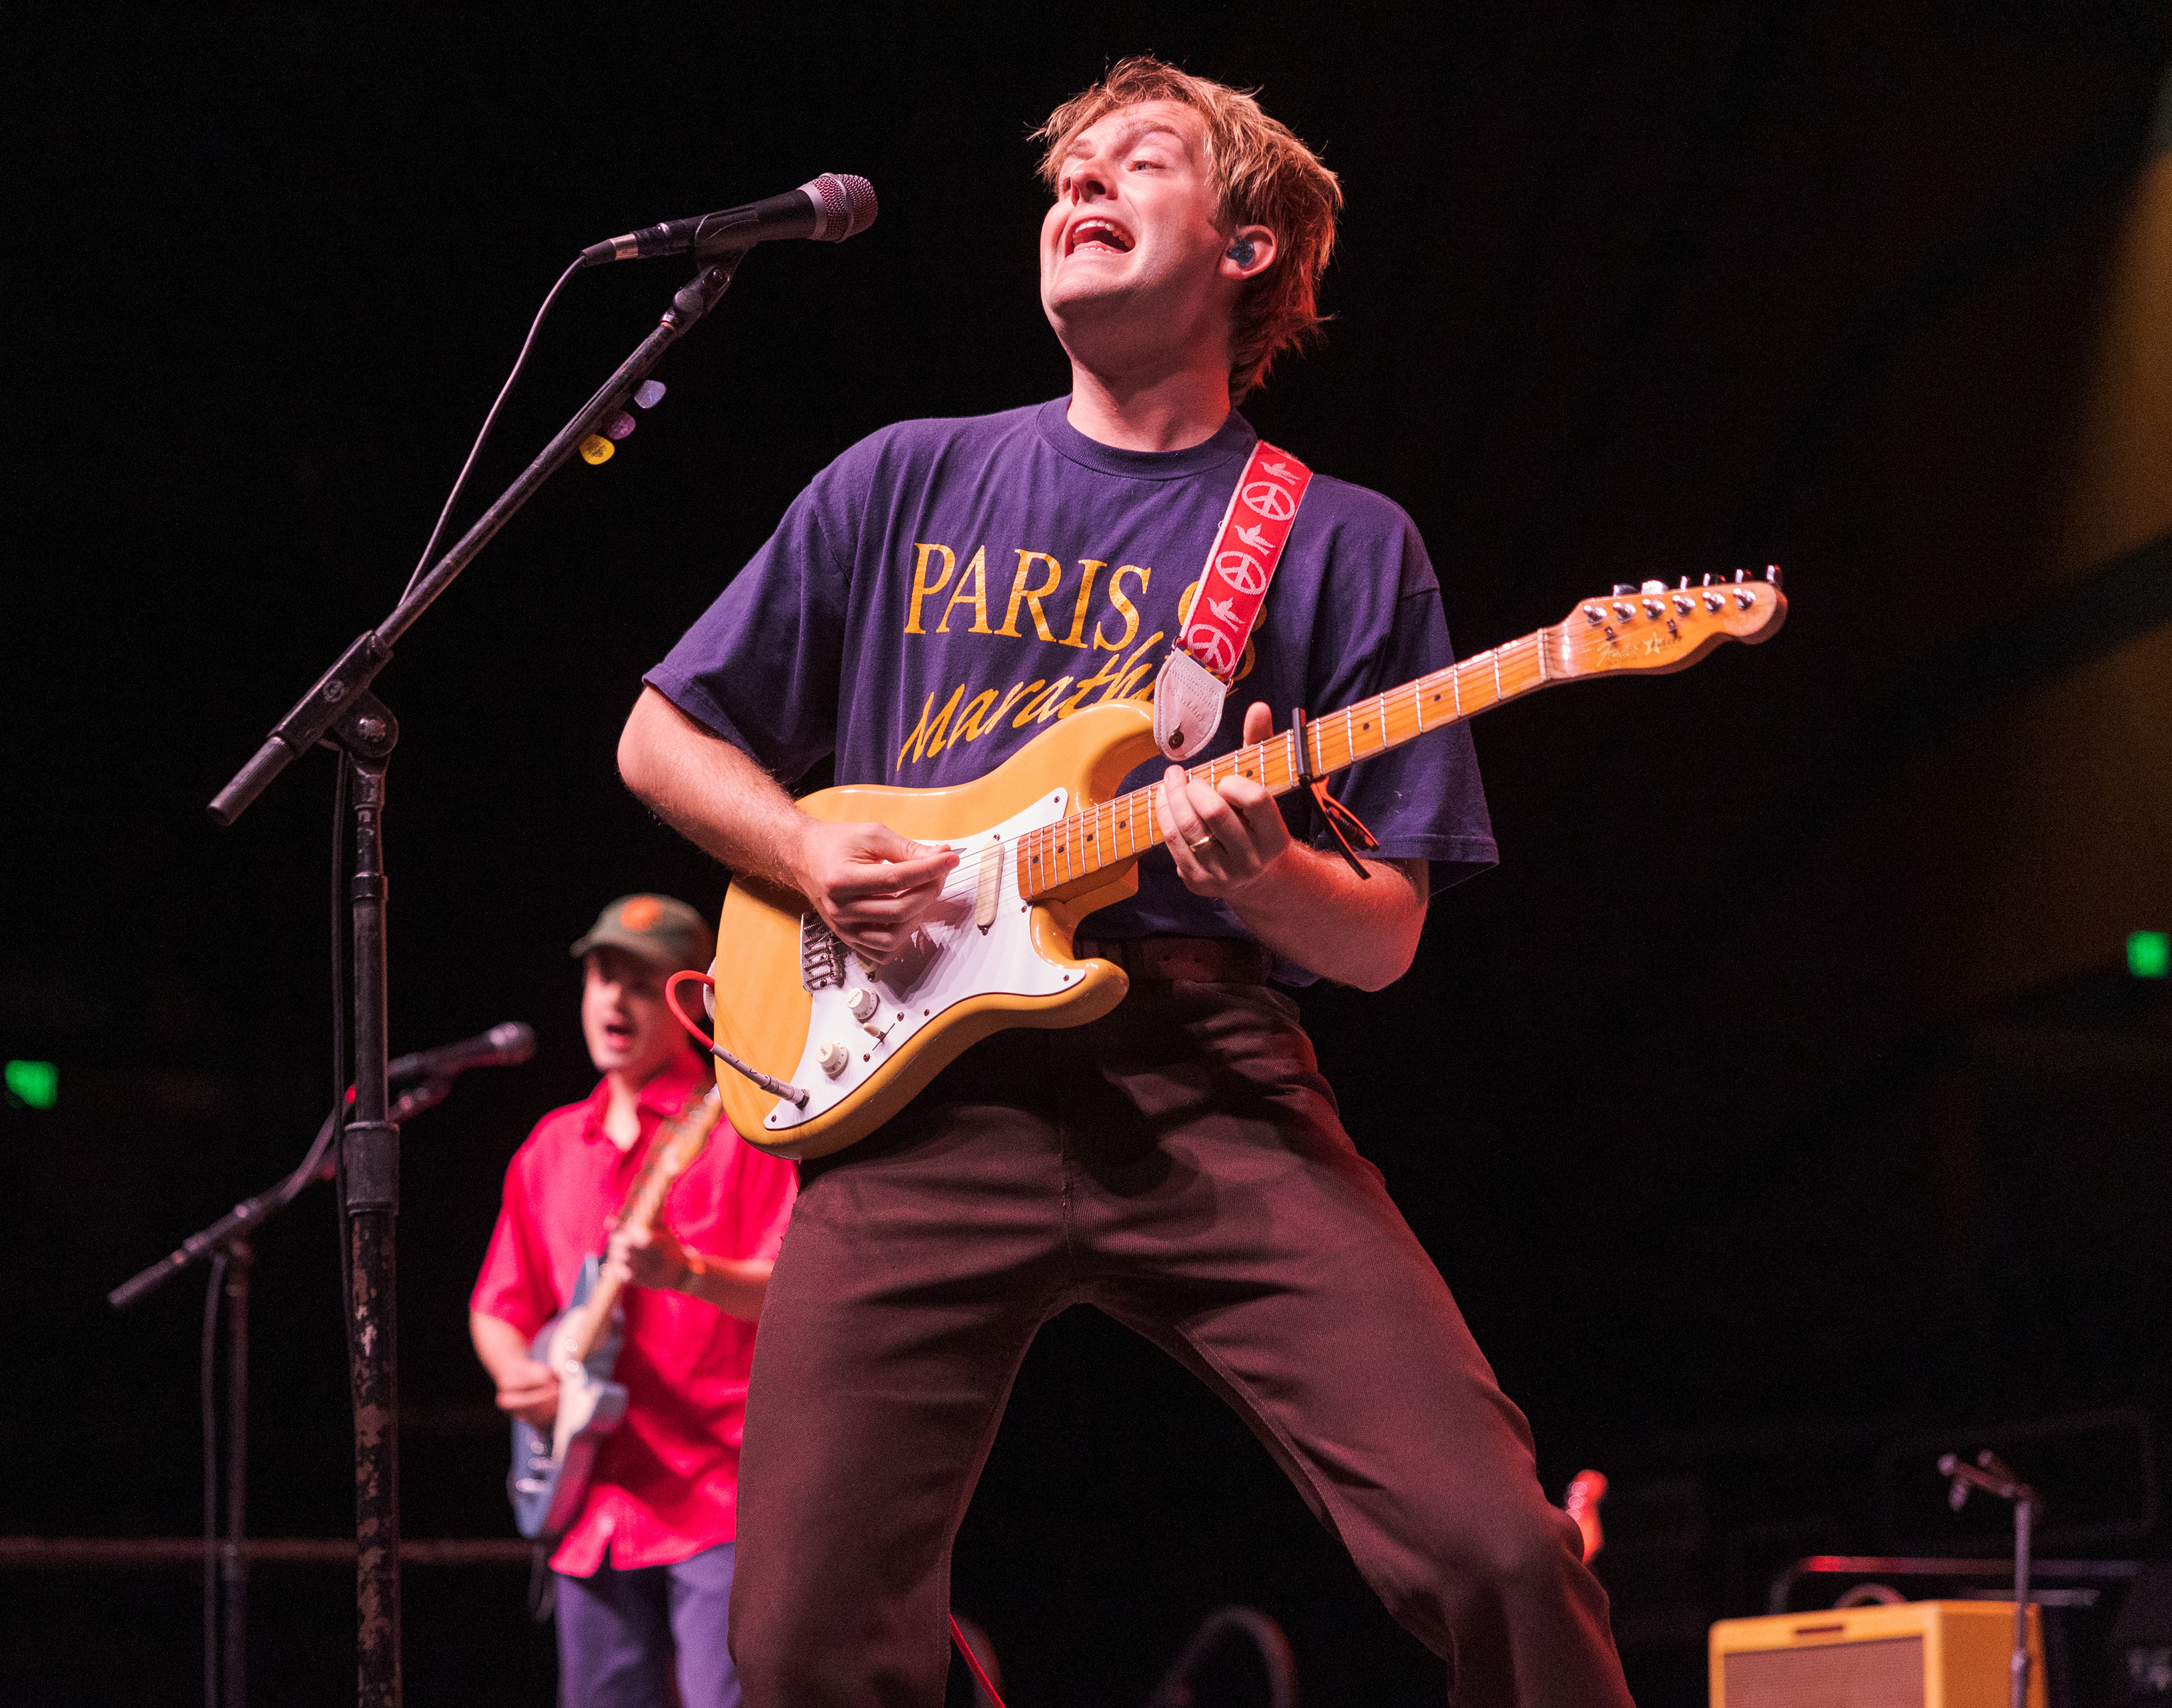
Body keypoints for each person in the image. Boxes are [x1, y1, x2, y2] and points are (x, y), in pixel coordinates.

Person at [614, 55, 1634, 1708]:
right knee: (798, 1640)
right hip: (910, 1107)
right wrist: (802, 846)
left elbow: (1377, 946)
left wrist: (1269, 878)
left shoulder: (1334, 538)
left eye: (1131, 163)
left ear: (1247, 251)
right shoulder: (903, 479)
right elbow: (659, 736)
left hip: (1204, 1072)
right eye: (1061, 174)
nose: (1073, 190)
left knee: (1496, 1552)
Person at [470, 894, 799, 1708]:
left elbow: (796, 1296)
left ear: (689, 1003)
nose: (615, 999)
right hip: (591, 1507)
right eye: (603, 976)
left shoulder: (742, 1124)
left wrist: (687, 1271)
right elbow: (499, 1304)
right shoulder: (551, 1147)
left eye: (643, 982)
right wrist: (519, 1375)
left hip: (720, 1499)